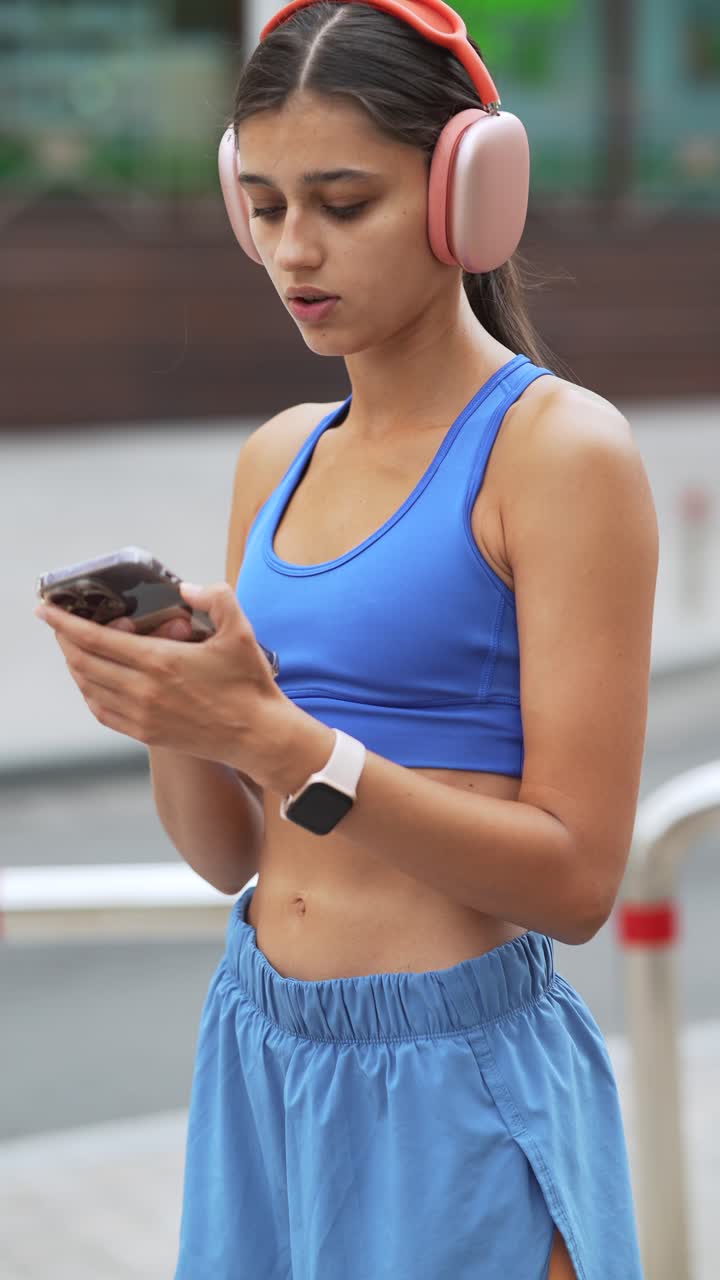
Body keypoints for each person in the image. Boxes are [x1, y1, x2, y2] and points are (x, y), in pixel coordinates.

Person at [35, 2, 658, 1276]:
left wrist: (286, 743)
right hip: (261, 1044)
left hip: (460, 1080)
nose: (294, 251)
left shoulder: (558, 451)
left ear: (464, 199)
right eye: (264, 206)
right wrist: (170, 712)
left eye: (343, 203)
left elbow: (577, 881)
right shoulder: (278, 456)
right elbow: (224, 856)